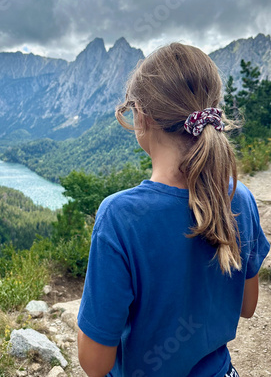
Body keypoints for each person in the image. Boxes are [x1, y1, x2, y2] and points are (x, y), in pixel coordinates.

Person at [76, 42, 270, 377]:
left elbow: (94, 364)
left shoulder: (120, 217)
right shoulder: (240, 198)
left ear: (142, 116)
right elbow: (247, 306)